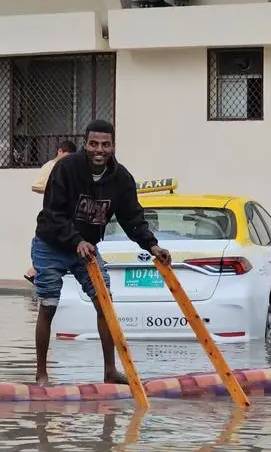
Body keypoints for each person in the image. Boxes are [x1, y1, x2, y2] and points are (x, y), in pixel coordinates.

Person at [30, 119, 171, 386]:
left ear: (113, 147)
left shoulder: (121, 178)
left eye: (106, 145)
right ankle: (41, 374)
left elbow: (132, 218)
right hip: (51, 244)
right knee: (48, 305)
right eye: (94, 144)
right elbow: (52, 213)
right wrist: (75, 240)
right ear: (85, 144)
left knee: (104, 304)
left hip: (86, 251)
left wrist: (152, 246)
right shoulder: (66, 169)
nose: (99, 150)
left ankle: (109, 371)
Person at [25, 140, 78, 282]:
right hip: (51, 213)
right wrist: (54, 190)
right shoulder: (50, 166)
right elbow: (36, 186)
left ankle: (35, 272)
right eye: (66, 155)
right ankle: (35, 271)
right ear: (60, 151)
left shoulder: (68, 167)